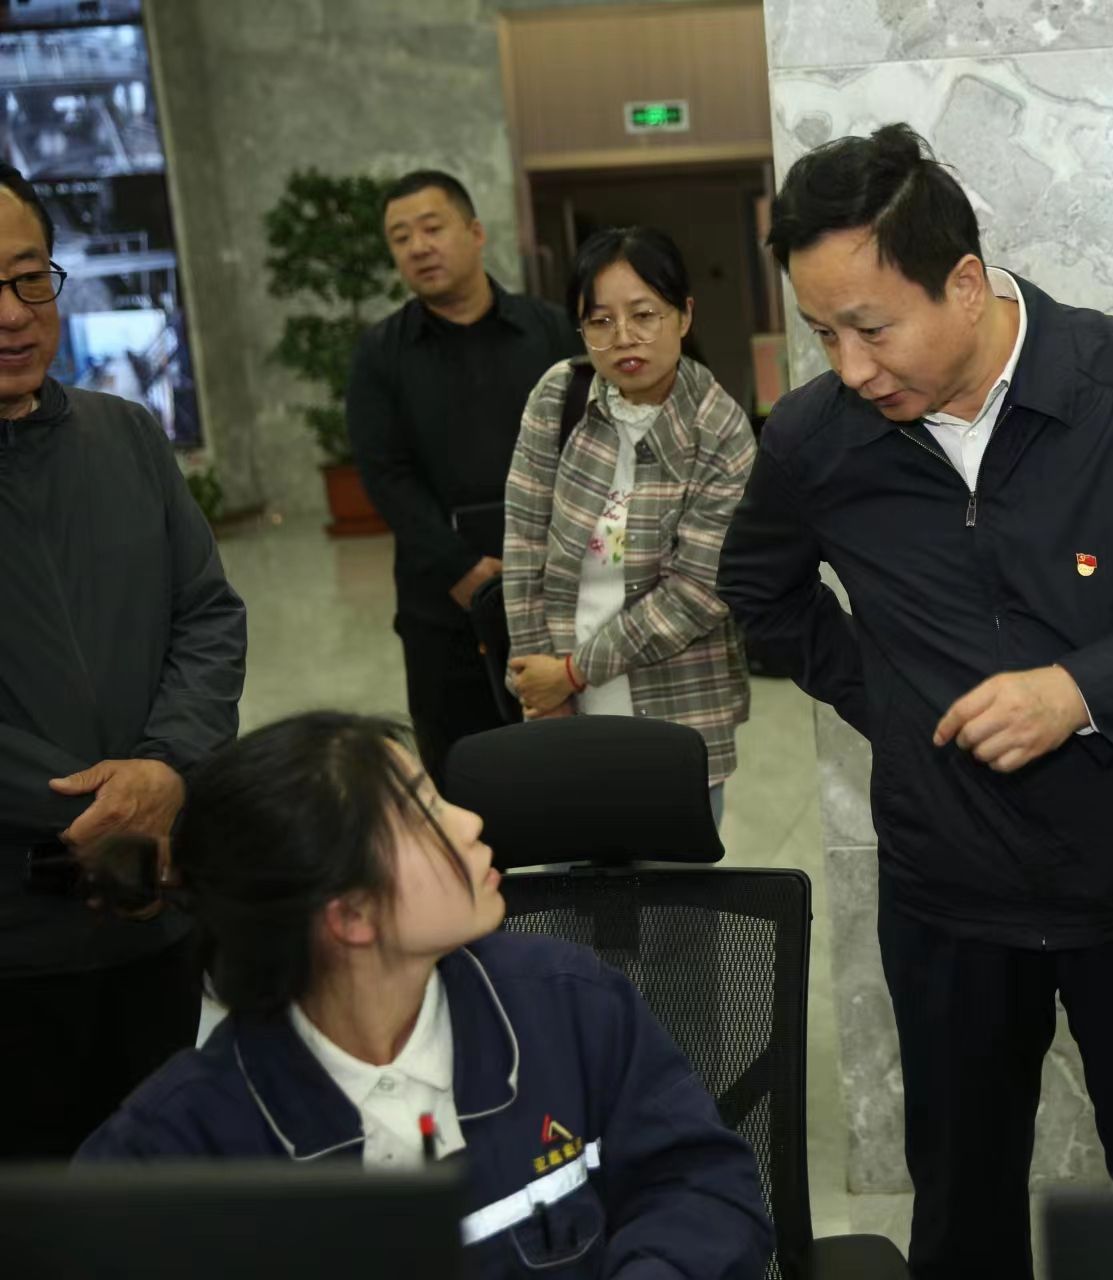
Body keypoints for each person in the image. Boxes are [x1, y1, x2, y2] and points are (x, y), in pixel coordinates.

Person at [718, 125, 1113, 1278]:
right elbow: (761, 592)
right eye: (823, 332)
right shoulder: (818, 439)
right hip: (948, 898)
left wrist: (1079, 691)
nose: (850, 367)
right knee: (963, 1209)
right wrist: (890, 695)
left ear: (966, 283)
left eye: (872, 328)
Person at [76, 712, 773, 1280]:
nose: (470, 822)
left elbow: (701, 1184)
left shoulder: (569, 1004)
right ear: (351, 916)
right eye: (425, 818)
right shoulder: (175, 1149)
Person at [0, 164, 247, 1159]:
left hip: (156, 915)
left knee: (161, 1190)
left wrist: (164, 769)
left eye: (29, 277)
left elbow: (207, 615)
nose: (13, 313)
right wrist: (98, 805)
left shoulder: (127, 436)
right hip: (15, 943)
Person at [503, 229, 754, 828]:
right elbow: (523, 542)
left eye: (644, 315)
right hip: (560, 704)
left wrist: (572, 672)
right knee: (566, 874)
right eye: (600, 320)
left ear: (684, 315)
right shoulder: (558, 396)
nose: (623, 338)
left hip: (678, 709)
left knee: (672, 883)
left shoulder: (721, 430)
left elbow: (696, 592)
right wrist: (541, 683)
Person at [346, 170, 579, 786]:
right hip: (440, 602)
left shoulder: (550, 331)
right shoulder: (381, 354)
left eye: (431, 228)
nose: (418, 247)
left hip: (558, 591)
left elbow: (588, 448)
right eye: (400, 238)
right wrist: (461, 568)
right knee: (463, 774)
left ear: (475, 233)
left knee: (566, 773)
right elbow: (384, 474)